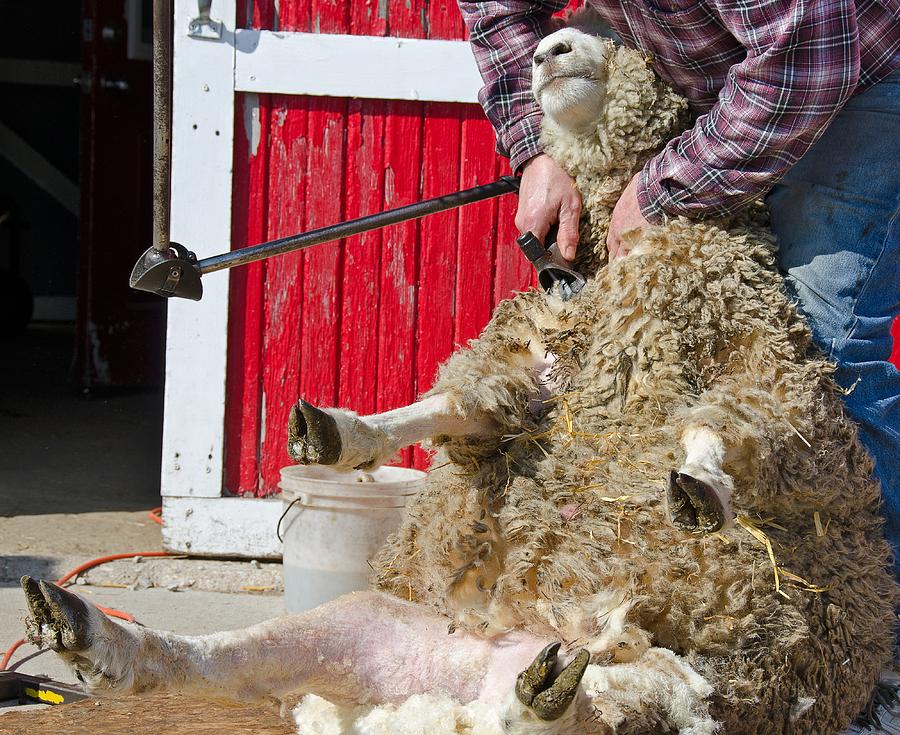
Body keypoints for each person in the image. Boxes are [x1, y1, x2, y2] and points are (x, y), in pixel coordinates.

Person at [458, 0, 900, 574]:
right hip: (713, 89)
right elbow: (499, 13)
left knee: (817, 355)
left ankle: (872, 615)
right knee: (655, 347)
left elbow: (807, 58)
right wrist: (538, 149)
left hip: (850, 77)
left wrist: (664, 191)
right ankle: (720, 587)